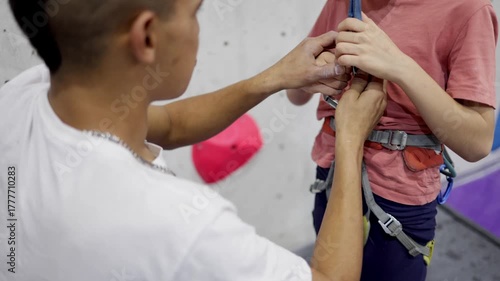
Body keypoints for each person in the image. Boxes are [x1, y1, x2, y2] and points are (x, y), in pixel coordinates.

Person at [0, 0, 387, 280]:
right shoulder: (180, 227)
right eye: (196, 12)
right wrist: (350, 140)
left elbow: (168, 124)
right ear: (147, 36)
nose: (199, 27)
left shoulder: (21, 95)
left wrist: (273, 77)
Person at [287, 0, 498, 280]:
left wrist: (399, 66)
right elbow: (296, 94)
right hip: (332, 173)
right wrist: (313, 75)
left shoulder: (467, 10)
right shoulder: (345, 2)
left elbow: (477, 143)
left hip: (399, 194)